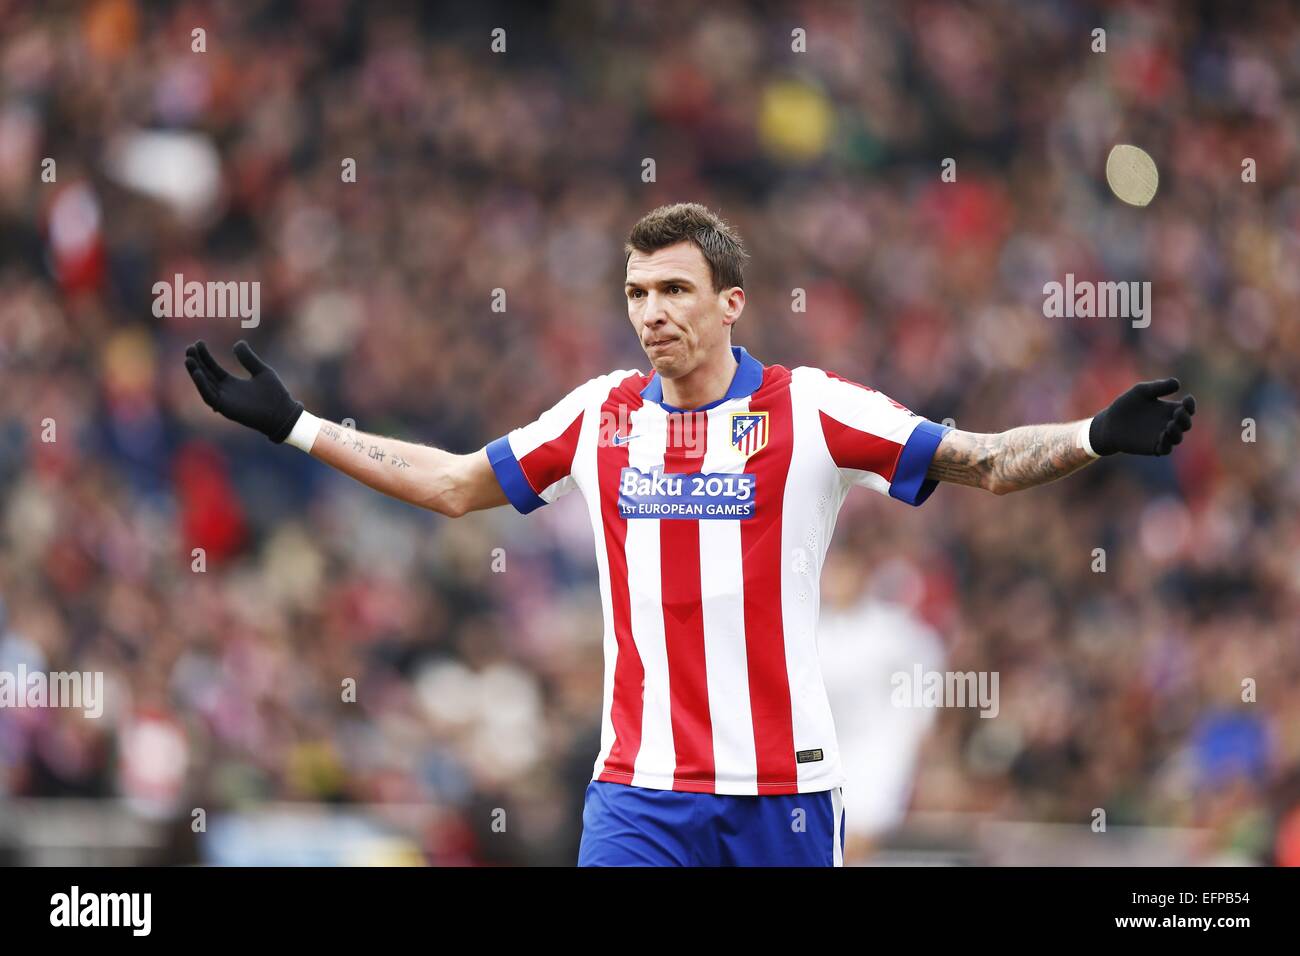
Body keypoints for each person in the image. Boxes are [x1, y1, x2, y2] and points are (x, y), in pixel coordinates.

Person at [183, 202, 1196, 867]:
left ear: (729, 302)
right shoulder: (597, 414)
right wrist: (300, 425)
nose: (652, 312)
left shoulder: (813, 410)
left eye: (674, 289)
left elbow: (977, 458)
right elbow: (453, 482)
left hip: (783, 796)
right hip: (639, 790)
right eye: (635, 293)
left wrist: (1092, 434)